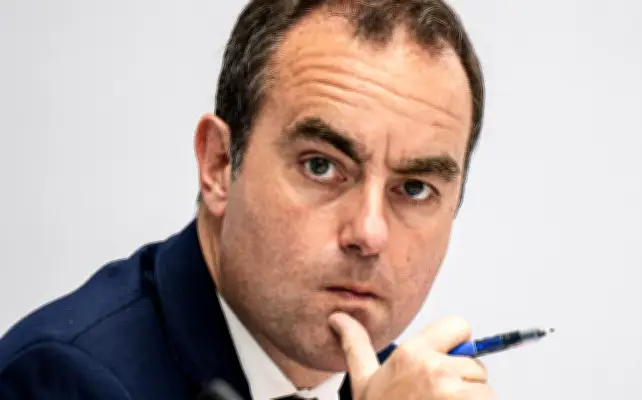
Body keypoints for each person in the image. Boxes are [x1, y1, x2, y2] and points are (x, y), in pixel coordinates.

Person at [0, 0, 488, 398]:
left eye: (415, 189)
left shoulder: (390, 386)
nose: (369, 233)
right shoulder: (66, 381)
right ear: (218, 164)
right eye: (320, 166)